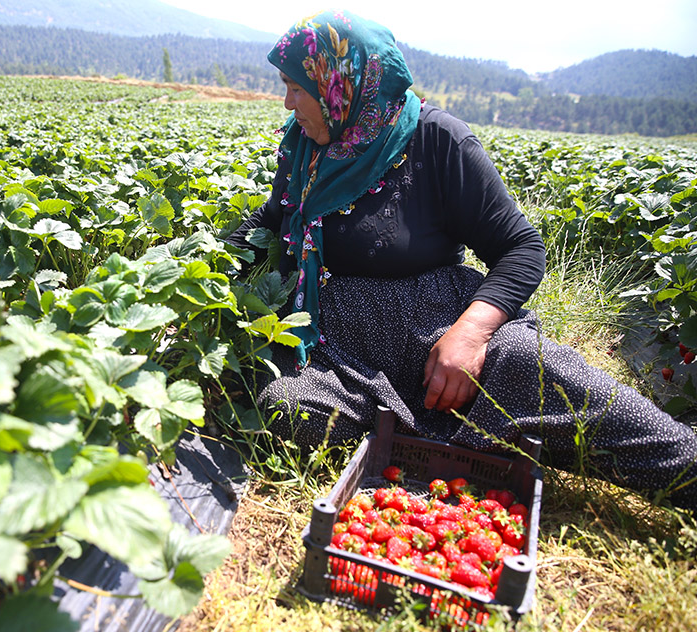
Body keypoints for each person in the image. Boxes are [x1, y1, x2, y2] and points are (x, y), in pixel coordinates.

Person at [227, 10, 697, 512]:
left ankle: (685, 466)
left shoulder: (436, 139)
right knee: (284, 407)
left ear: (341, 84)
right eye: (286, 86)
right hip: (343, 348)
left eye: (298, 88)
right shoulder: (306, 150)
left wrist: (471, 334)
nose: (288, 102)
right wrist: (206, 261)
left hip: (441, 326)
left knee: (537, 371)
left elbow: (521, 249)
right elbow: (273, 217)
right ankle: (433, 441)